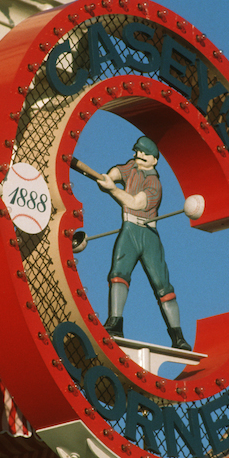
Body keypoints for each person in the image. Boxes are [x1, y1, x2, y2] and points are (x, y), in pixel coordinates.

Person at [95, 136, 191, 350]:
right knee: (118, 273)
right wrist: (108, 178)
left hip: (147, 234)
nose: (139, 156)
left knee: (162, 285)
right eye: (137, 152)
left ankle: (178, 337)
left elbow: (135, 202)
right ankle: (115, 323)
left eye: (145, 154)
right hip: (129, 228)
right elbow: (118, 172)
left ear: (154, 160)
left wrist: (112, 189)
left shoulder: (154, 183)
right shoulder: (133, 167)